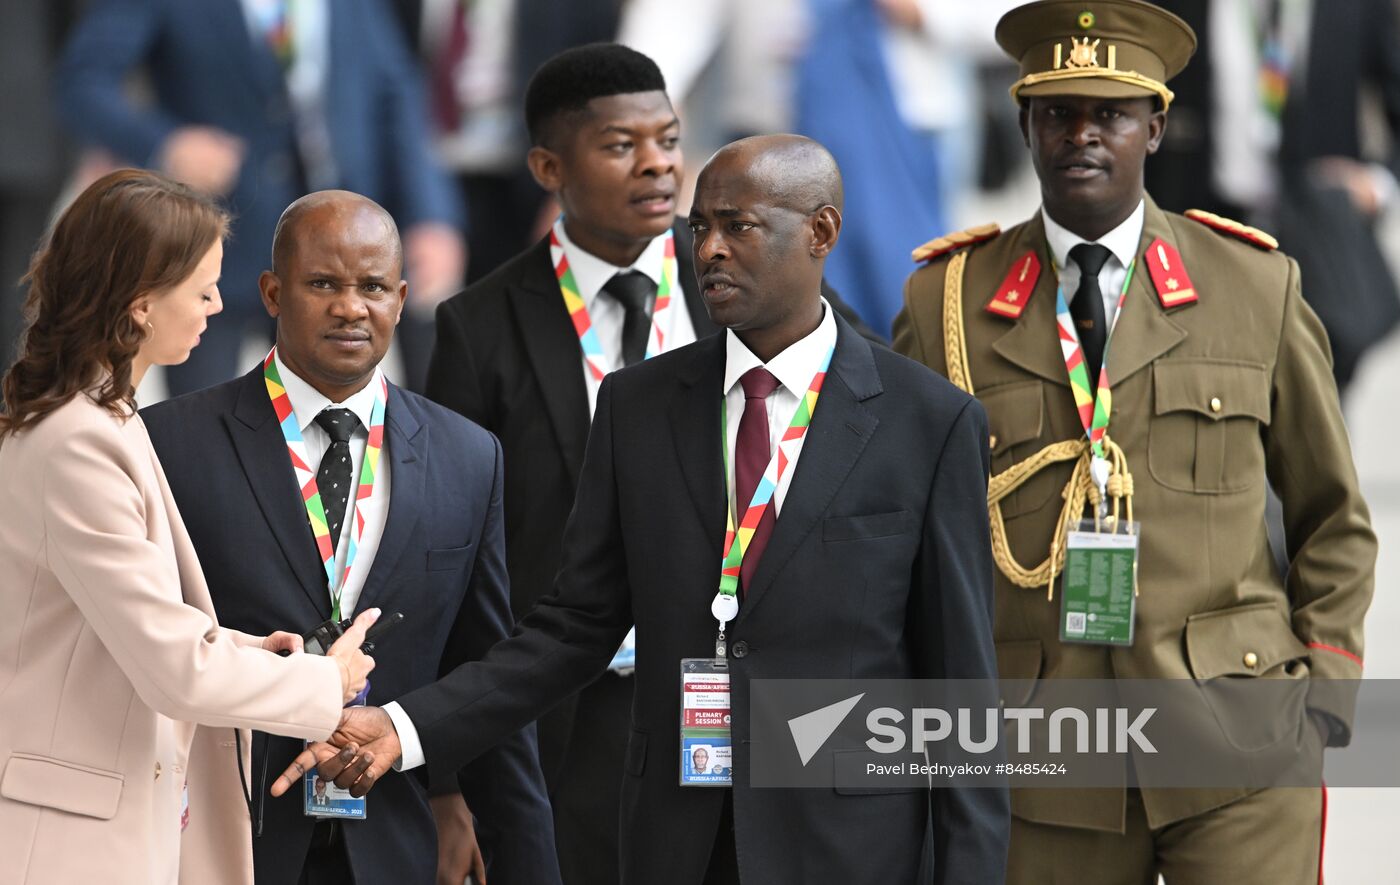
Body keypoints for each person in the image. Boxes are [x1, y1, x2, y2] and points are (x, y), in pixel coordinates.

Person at [283, 134, 1008, 885]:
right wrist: (405, 728)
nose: (711, 250)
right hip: (676, 842)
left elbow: (960, 688)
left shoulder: (930, 421)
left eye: (740, 226)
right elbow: (572, 626)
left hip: (853, 848)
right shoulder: (638, 405)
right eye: (700, 229)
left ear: (821, 231)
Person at [892, 2, 1377, 882]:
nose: (1083, 135)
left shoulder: (1253, 285)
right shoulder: (946, 307)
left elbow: (1332, 517)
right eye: (1058, 113)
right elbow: (893, 528)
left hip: (1240, 746)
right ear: (1025, 125)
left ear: (1156, 127)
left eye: (1110, 114)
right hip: (1039, 757)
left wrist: (1326, 703)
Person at [424, 42, 879, 885]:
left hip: (742, 700)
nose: (657, 165)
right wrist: (448, 780)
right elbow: (453, 563)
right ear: (548, 165)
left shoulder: (754, 277)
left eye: (668, 139)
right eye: (620, 145)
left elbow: (872, 412)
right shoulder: (478, 327)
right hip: (560, 718)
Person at [140, 191, 559, 885]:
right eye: (323, 284)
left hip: (395, 841)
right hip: (223, 842)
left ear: (401, 296)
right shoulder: (171, 443)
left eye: (371, 287)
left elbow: (483, 668)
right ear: (273, 292)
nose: (349, 307)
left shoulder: (469, 455)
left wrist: (523, 855)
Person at [0, 169, 377, 885]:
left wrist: (249, 651)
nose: (216, 304)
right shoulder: (80, 439)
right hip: (67, 844)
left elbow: (114, 627)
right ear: (141, 304)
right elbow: (174, 666)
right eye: (202, 286)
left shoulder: (103, 419)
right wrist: (324, 682)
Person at [55, 0, 464, 397]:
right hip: (217, 244)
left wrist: (431, 215)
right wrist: (166, 143)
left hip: (336, 247)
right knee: (200, 430)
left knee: (330, 424)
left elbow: (397, 92)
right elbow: (84, 81)